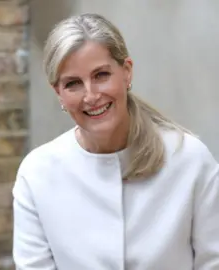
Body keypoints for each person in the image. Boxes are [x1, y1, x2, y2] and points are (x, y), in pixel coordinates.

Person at [12, 13, 219, 269]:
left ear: (127, 72)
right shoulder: (36, 174)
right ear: (59, 93)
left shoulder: (190, 160)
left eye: (101, 75)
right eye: (73, 83)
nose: (91, 95)